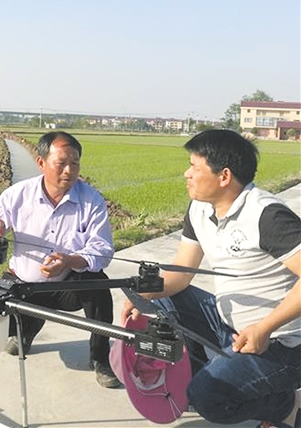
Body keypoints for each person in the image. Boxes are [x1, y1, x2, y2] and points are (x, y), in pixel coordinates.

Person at [121, 129, 301, 427]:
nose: (187, 173)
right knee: (166, 301)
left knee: (207, 398)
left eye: (195, 166)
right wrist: (145, 294)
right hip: (229, 325)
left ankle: (286, 405)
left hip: (281, 341)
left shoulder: (266, 216)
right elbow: (181, 273)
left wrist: (265, 327)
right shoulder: (200, 209)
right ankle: (214, 372)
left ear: (224, 176)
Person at [0, 130, 120, 388]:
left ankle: (100, 357)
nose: (69, 170)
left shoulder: (91, 200)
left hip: (66, 285)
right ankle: (26, 330)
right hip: (24, 285)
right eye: (61, 163)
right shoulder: (18, 195)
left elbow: (102, 249)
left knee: (99, 286)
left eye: (74, 163)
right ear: (41, 163)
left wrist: (70, 261)